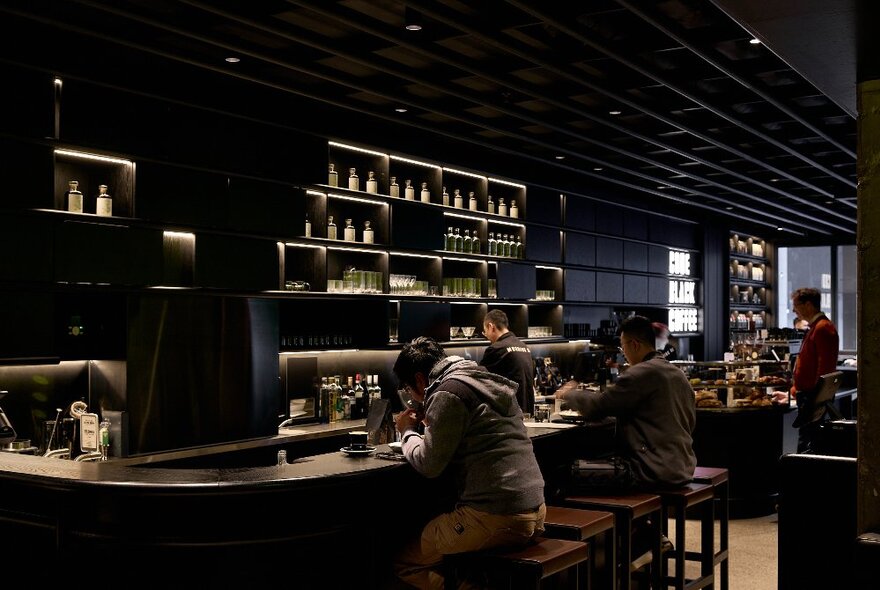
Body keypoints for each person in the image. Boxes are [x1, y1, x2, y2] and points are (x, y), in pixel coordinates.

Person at [391, 337, 546, 589]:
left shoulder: (448, 392)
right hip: (535, 510)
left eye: (409, 388)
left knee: (405, 562)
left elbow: (428, 464)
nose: (412, 397)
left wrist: (407, 431)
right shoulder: (482, 379)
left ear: (420, 379)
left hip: (495, 517)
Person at [557, 315, 696, 493]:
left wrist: (569, 393)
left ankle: (617, 520)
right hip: (681, 467)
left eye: (623, 347)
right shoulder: (677, 374)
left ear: (635, 345)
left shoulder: (641, 373)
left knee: (563, 474)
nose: (624, 353)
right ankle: (639, 521)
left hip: (648, 471)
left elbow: (598, 406)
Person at [789, 287, 839, 452]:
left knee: (808, 445)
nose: (794, 310)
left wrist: (814, 401)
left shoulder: (822, 328)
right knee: (807, 442)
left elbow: (825, 370)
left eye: (796, 305)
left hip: (813, 398)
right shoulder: (816, 327)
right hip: (810, 396)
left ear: (808, 305)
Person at [480, 309, 536, 414]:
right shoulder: (524, 347)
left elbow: (479, 381)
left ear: (491, 327)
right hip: (527, 411)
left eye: (485, 331)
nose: (486, 336)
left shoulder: (496, 349)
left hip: (510, 414)